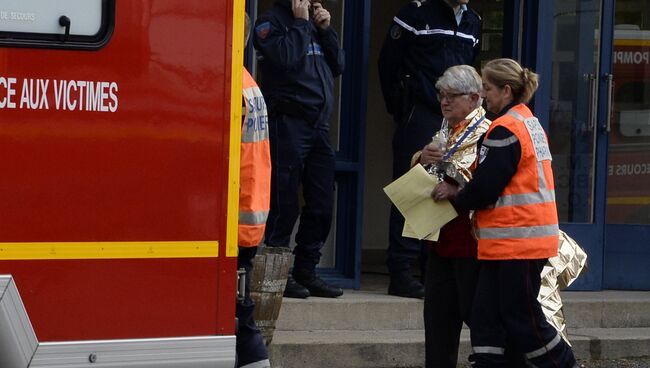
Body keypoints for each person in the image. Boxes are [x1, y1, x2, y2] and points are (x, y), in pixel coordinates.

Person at [432, 58, 578, 367]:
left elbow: (486, 188)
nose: (483, 96)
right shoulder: (528, 122)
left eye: (486, 89)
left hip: (518, 243)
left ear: (506, 91)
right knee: (486, 316)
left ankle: (563, 362)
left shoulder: (504, 129)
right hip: (511, 243)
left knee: (523, 319)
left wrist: (455, 194)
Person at [378, 0, 481, 298]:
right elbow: (388, 64)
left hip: (454, 119)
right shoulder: (416, 13)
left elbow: (467, 66)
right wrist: (403, 109)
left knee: (443, 188)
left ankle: (430, 267)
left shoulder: (472, 20)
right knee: (413, 187)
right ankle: (400, 270)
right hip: (421, 112)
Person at [253, 0, 345, 298]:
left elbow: (339, 65)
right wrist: (301, 23)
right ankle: (277, 274)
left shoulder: (313, 24)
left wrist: (326, 30)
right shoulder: (271, 22)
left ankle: (307, 269)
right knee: (285, 201)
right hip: (288, 121)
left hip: (319, 126)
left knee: (321, 204)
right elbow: (286, 57)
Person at [413, 65, 490, 368]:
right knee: (437, 321)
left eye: (452, 97)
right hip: (439, 237)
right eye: (441, 95)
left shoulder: (488, 132)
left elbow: (487, 183)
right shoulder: (445, 128)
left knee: (477, 316)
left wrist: (455, 189)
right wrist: (422, 158)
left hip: (473, 242)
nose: (444, 102)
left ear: (474, 98)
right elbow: (425, 172)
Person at [236, 13, 272, 368]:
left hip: (234, 219)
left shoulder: (231, 85)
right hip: (250, 214)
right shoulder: (248, 83)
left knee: (238, 316)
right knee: (239, 312)